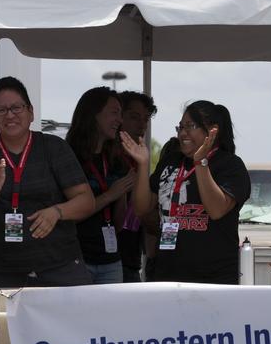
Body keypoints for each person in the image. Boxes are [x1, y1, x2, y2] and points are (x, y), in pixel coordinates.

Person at [0, 77, 95, 287]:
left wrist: (56, 212)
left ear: (31, 112)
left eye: (16, 107)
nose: (10, 115)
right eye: (1, 110)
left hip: (59, 267)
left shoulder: (53, 148)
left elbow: (86, 201)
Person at [121, 100, 250, 284]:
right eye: (180, 127)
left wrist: (201, 162)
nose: (182, 133)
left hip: (212, 279)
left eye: (190, 126)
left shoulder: (230, 165)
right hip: (167, 274)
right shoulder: (171, 161)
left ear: (212, 130)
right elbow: (141, 208)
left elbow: (216, 209)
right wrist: (143, 164)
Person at [67, 86, 135, 284]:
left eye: (121, 114)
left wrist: (124, 192)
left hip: (111, 260)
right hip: (77, 259)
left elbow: (119, 223)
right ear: (93, 114)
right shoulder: (70, 157)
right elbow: (69, 216)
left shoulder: (115, 159)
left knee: (112, 315)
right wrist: (111, 194)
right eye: (114, 113)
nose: (120, 121)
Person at [117, 90, 157, 282]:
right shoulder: (109, 156)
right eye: (134, 117)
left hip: (131, 254)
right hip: (110, 255)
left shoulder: (139, 158)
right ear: (119, 117)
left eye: (146, 119)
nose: (142, 125)